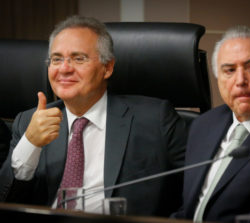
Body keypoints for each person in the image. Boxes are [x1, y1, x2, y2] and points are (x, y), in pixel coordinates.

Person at [0, 15, 187, 217]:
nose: (64, 69)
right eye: (56, 59)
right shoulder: (29, 122)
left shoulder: (155, 119)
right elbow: (6, 200)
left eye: (79, 58)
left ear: (107, 67)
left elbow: (198, 192)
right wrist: (30, 144)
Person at [172, 26, 250, 222]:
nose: (240, 80)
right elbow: (189, 210)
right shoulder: (203, 125)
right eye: (229, 70)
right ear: (218, 79)